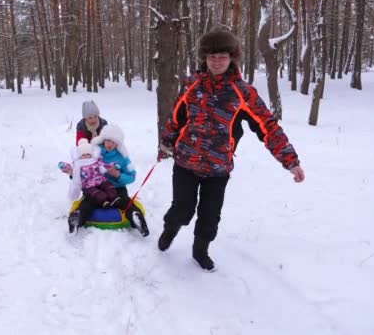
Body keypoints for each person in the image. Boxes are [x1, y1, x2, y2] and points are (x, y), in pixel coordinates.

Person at [158, 29, 305, 271]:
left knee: (210, 217)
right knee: (182, 210)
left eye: (222, 56)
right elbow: (176, 117)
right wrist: (167, 142)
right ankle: (169, 230)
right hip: (185, 162)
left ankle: (200, 250)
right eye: (212, 56)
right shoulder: (190, 85)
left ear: (232, 58)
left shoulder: (243, 92)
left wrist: (290, 161)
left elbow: (267, 126)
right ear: (204, 58)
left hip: (218, 168)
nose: (217, 61)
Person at [67, 124, 149, 237]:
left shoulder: (123, 158)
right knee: (88, 202)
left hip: (116, 188)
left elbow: (132, 177)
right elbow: (81, 171)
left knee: (124, 201)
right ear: (103, 140)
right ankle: (77, 218)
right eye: (108, 140)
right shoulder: (93, 153)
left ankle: (136, 217)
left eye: (113, 142)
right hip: (95, 187)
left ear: (118, 144)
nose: (110, 144)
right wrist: (72, 173)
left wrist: (118, 175)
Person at [67, 138, 121, 208]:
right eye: (83, 155)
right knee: (96, 193)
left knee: (109, 186)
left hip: (100, 180)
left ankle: (114, 198)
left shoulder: (95, 160)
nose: (86, 156)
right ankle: (104, 202)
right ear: (80, 156)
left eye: (88, 154)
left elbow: (104, 165)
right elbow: (74, 175)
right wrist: (65, 167)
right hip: (88, 185)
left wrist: (113, 165)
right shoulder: (78, 165)